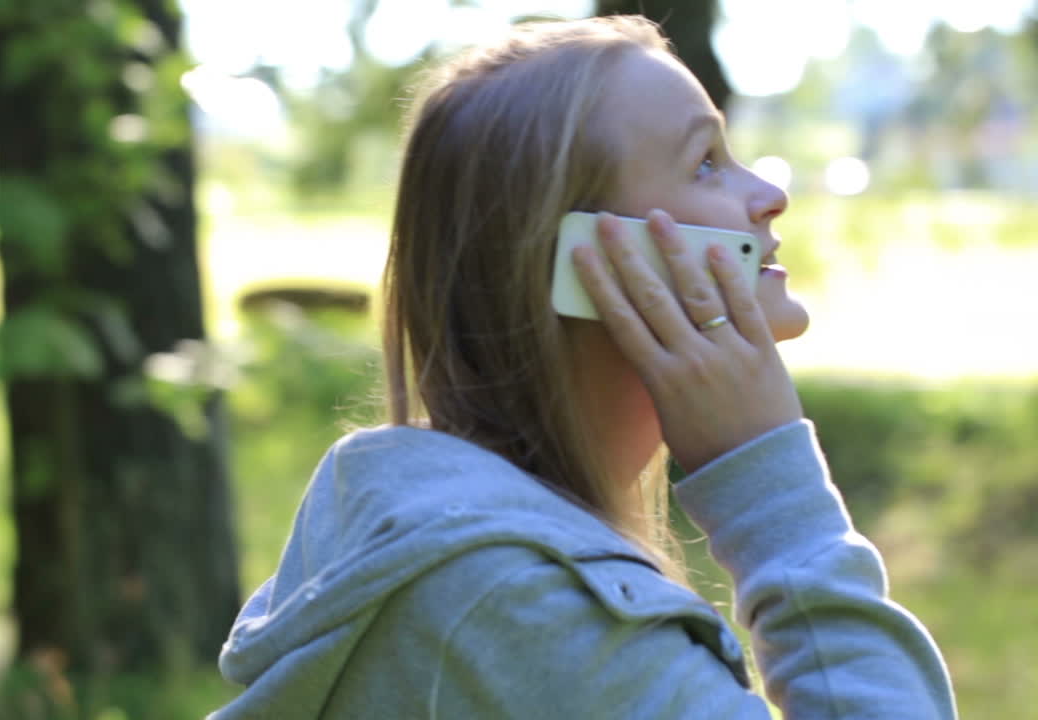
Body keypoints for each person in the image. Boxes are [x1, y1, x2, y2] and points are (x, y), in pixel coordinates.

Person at [209, 15, 957, 719]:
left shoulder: (473, 544)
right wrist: (770, 491)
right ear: (580, 260)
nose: (770, 195)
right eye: (704, 163)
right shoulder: (515, 601)